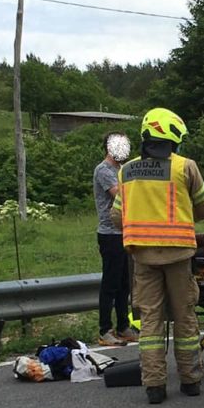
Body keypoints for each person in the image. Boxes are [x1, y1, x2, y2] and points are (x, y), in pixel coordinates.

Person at [111, 108, 204, 405]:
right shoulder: (186, 167)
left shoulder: (126, 171)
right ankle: (191, 380)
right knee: (185, 319)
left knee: (151, 323)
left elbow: (117, 218)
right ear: (173, 138)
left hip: (142, 257)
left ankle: (154, 385)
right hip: (179, 255)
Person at [93, 132, 138, 347]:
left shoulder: (122, 170)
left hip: (124, 232)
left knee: (124, 284)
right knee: (110, 284)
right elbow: (121, 195)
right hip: (110, 234)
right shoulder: (104, 170)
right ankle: (104, 330)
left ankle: (123, 326)